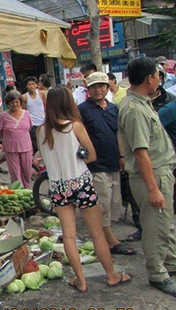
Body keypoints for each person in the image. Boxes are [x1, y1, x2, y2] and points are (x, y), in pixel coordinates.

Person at [37, 87, 131, 291]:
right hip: (80, 184)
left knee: (68, 235)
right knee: (97, 234)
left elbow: (44, 159)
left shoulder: (41, 130)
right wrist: (78, 157)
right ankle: (112, 275)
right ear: (68, 103)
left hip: (58, 187)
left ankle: (81, 280)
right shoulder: (75, 126)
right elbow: (91, 155)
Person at [119, 57, 176, 297]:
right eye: (157, 75)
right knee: (155, 228)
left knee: (166, 224)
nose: (159, 80)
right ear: (149, 78)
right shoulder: (134, 109)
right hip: (151, 176)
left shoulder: (142, 103)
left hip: (160, 173)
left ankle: (170, 263)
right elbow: (140, 153)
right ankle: (157, 274)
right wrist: (153, 189)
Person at [78, 72, 136, 256]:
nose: (98, 90)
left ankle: (103, 236)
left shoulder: (113, 109)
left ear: (107, 87)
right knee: (102, 203)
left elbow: (118, 133)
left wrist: (122, 156)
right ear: (88, 90)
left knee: (113, 203)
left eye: (101, 86)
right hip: (95, 165)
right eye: (94, 87)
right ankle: (110, 241)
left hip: (114, 163)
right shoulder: (82, 110)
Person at [0, 90, 33, 188]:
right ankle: (19, 192)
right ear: (8, 103)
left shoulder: (26, 114)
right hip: (11, 148)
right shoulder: (3, 116)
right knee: (15, 172)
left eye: (17, 102)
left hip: (26, 146)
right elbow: (0, 130)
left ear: (20, 102)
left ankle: (27, 190)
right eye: (12, 102)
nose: (15, 104)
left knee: (27, 171)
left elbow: (29, 128)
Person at [22, 76, 46, 152]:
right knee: (35, 144)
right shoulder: (24, 97)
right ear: (26, 86)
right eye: (29, 84)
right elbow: (24, 111)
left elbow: (45, 107)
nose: (31, 86)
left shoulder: (42, 94)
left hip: (43, 122)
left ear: (36, 85)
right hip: (32, 124)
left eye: (33, 84)